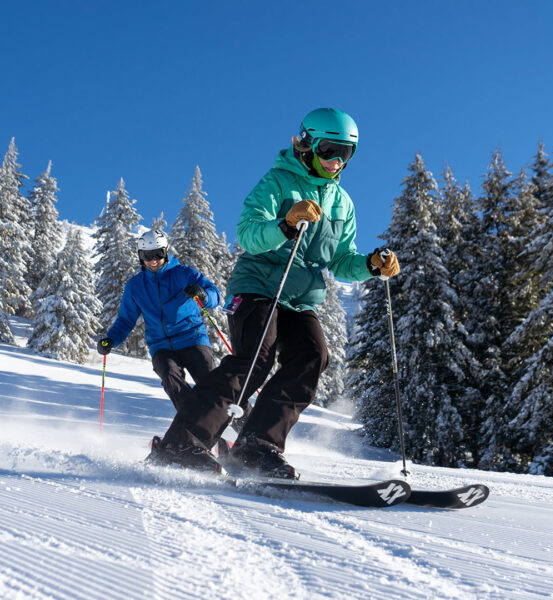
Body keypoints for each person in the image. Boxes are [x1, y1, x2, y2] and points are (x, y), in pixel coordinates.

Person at [149, 108, 400, 478]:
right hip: (258, 287)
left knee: (313, 357)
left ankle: (256, 446)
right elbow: (248, 234)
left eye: (345, 154)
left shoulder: (343, 203)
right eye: (329, 150)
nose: (335, 161)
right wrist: (285, 223)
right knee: (254, 361)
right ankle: (181, 442)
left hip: (301, 298)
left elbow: (341, 259)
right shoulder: (278, 182)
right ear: (307, 143)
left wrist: (371, 265)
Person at [97, 230, 221, 456]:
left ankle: (247, 433)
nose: (153, 260)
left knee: (214, 387)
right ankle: (193, 439)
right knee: (171, 378)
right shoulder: (135, 286)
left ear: (165, 252)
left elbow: (215, 294)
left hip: (192, 339)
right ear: (140, 257)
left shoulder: (183, 274)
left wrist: (202, 295)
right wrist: (110, 339)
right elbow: (126, 320)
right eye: (147, 255)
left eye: (157, 254)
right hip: (161, 346)